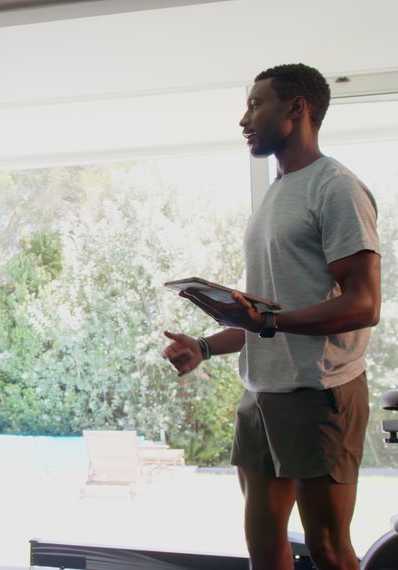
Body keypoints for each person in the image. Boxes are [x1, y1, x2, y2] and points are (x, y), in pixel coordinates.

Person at [162, 63, 381, 570]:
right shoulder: (277, 193)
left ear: (297, 108)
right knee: (263, 546)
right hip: (262, 391)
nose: (244, 118)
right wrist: (205, 345)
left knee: (327, 546)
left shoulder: (337, 188)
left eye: (256, 104)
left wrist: (265, 323)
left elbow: (364, 305)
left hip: (318, 391)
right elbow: (266, 312)